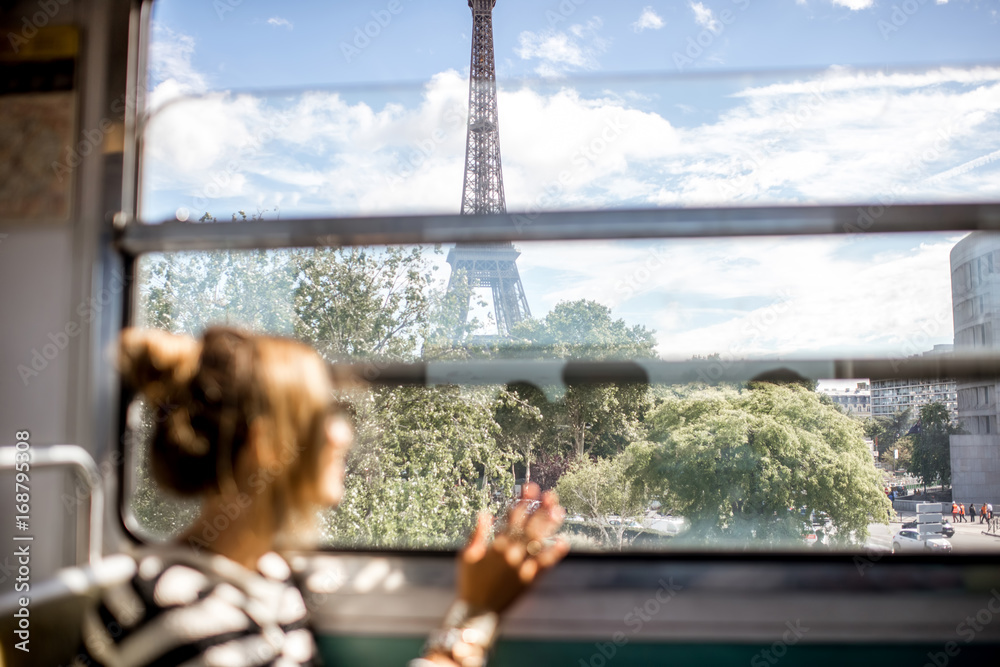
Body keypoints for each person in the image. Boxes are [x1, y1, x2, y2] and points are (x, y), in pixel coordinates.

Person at [78, 327, 569, 667]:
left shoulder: (265, 579)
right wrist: (472, 617)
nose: (341, 434)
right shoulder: (185, 618)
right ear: (267, 446)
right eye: (323, 417)